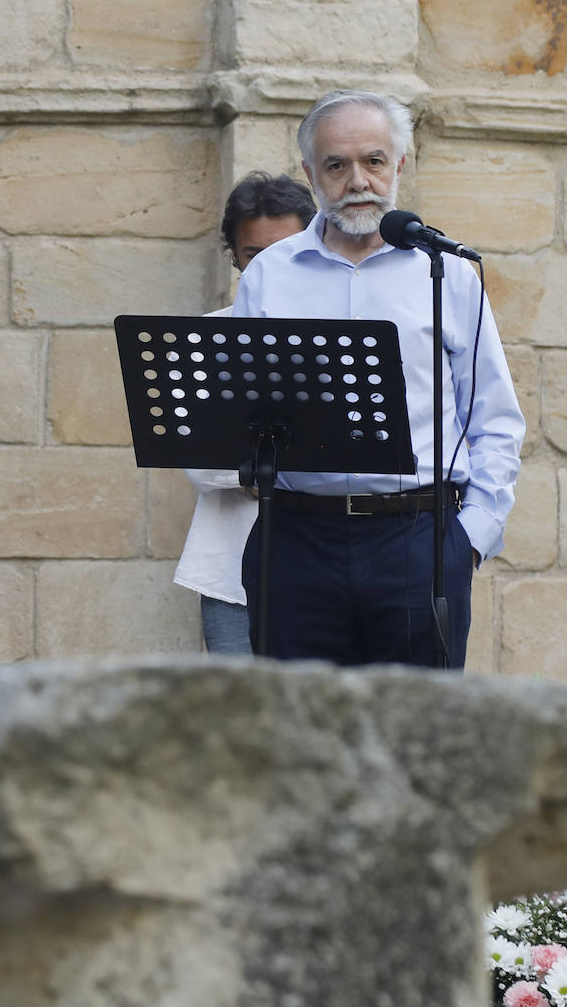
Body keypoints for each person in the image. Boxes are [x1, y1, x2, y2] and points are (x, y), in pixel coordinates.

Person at [231, 89, 525, 667]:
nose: (357, 180)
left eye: (374, 161)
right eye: (336, 165)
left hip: (417, 539)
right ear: (311, 174)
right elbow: (242, 410)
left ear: (400, 166)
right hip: (296, 542)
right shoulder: (269, 274)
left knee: (417, 739)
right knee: (296, 735)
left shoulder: (448, 275)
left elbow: (493, 416)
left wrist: (470, 538)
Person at [173, 172, 318, 653]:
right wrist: (293, 467)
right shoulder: (205, 337)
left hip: (329, 567)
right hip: (230, 569)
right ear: (234, 255)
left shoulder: (345, 336)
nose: (270, 264)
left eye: (286, 246)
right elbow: (198, 460)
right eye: (255, 253)